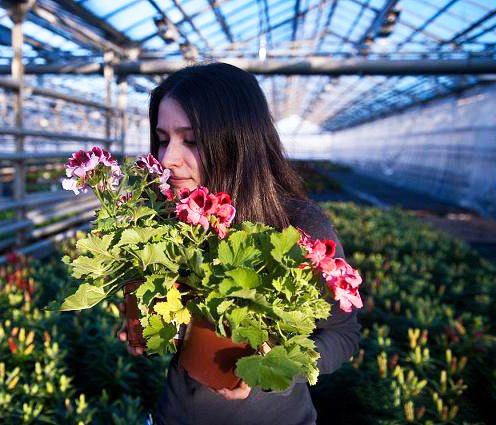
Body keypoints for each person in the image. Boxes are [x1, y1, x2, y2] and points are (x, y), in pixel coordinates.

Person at [118, 62, 361, 425]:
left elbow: (343, 334)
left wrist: (271, 367)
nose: (168, 159)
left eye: (192, 140)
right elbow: (172, 323)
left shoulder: (297, 226)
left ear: (237, 142)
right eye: (164, 138)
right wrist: (154, 327)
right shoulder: (166, 219)